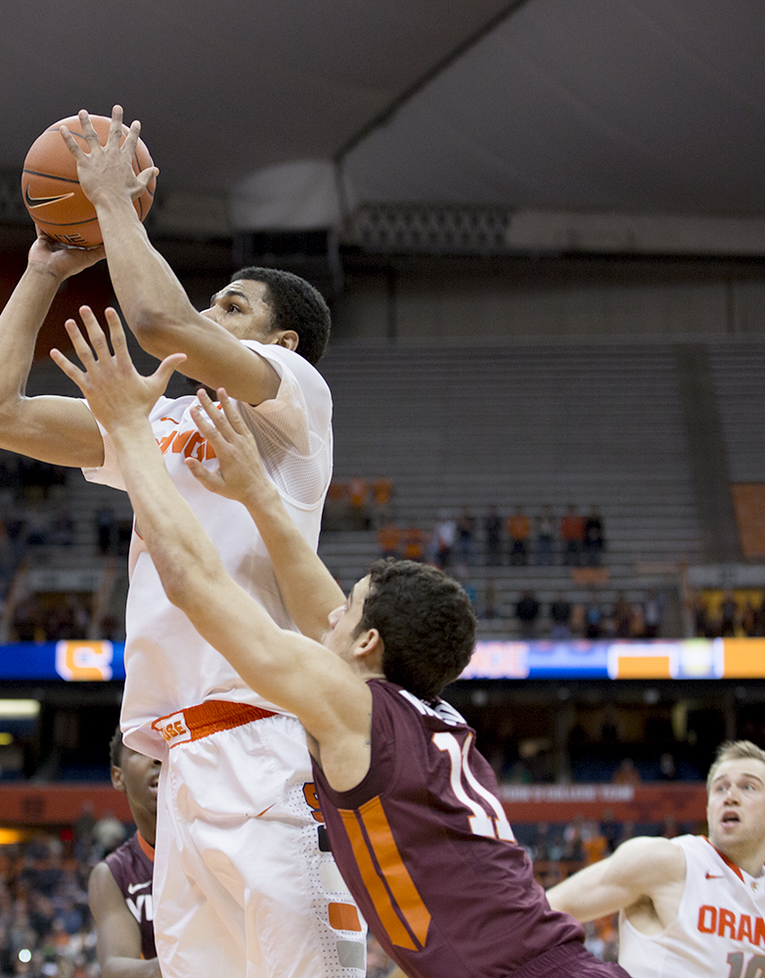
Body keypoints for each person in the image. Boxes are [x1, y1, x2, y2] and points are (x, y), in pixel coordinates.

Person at [51, 307, 631, 978]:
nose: (326, 618)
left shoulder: (355, 709)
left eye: (345, 614)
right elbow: (316, 596)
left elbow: (191, 580)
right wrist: (258, 495)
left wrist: (128, 428)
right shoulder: (414, 713)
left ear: (368, 643)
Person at [0, 107, 362, 978]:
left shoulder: (295, 401)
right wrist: (41, 270)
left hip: (266, 745)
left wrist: (111, 205)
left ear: (282, 341)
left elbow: (158, 319)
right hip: (175, 765)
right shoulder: (157, 422)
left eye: (232, 306)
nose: (209, 313)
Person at [547, 739, 765, 978]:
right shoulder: (668, 861)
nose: (730, 796)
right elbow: (544, 911)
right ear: (708, 808)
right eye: (720, 788)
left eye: (748, 787)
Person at [88, 728, 161, 977]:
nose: (157, 758)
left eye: (167, 747)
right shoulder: (114, 873)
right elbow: (114, 967)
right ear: (118, 777)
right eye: (142, 750)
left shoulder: (225, 847)